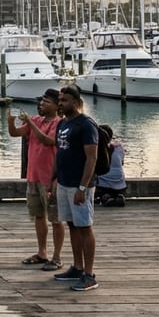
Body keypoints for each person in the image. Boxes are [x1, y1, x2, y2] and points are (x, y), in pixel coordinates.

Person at [8, 88, 64, 271]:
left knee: (56, 219)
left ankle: (56, 257)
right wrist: (10, 122)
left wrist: (31, 123)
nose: (42, 104)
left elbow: (48, 140)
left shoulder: (59, 124)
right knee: (39, 215)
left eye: (47, 102)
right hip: (34, 176)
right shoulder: (37, 120)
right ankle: (42, 252)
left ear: (57, 106)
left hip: (50, 178)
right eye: (42, 101)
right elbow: (15, 133)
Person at [52, 85, 100, 291]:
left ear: (75, 102)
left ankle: (89, 274)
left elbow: (92, 158)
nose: (60, 103)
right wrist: (54, 178)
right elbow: (59, 152)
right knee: (72, 224)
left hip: (80, 185)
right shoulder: (62, 124)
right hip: (64, 182)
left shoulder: (86, 125)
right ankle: (77, 267)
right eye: (59, 100)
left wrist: (83, 186)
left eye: (64, 100)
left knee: (84, 226)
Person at [95, 131, 127, 207]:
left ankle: (106, 197)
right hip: (120, 182)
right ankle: (118, 196)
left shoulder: (97, 148)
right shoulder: (119, 147)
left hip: (103, 183)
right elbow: (122, 163)